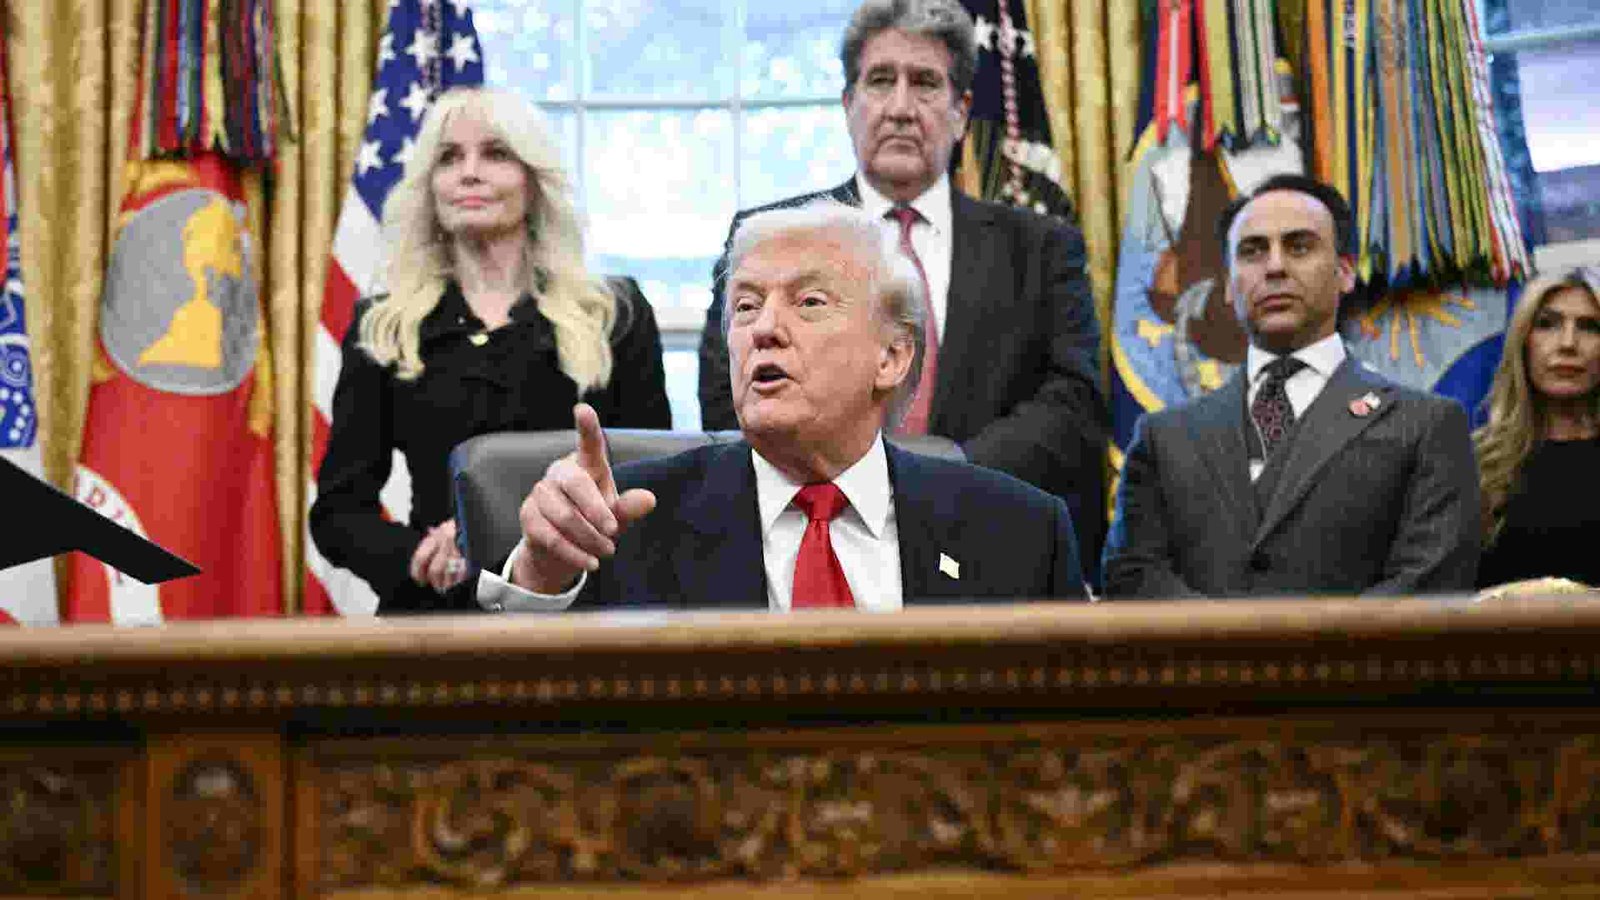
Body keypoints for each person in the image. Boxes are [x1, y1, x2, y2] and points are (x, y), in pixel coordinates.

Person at [478, 202, 1087, 611]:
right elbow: (501, 727)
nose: (763, 329)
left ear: (892, 358)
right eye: (745, 306)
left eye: (810, 302)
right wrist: (540, 575)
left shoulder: (1020, 537)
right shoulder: (619, 529)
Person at [695, 0, 1107, 572]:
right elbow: (726, 394)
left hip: (988, 534)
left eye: (926, 84)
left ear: (963, 112)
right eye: (881, 81)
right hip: (805, 532)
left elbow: (1074, 402)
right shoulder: (769, 238)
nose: (900, 108)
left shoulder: (1040, 247)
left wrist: (945, 473)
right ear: (848, 104)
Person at [311, 87, 670, 614]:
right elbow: (339, 515)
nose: (469, 172)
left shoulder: (614, 312)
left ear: (533, 179)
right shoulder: (385, 324)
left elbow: (652, 481)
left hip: (579, 608)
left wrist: (500, 533)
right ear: (429, 185)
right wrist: (417, 556)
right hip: (436, 613)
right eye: (449, 158)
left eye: (495, 154)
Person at [1102, 174, 1480, 598]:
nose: (1275, 266)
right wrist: (1230, 651)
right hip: (1205, 665)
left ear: (1345, 272)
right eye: (1252, 251)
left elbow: (1429, 585)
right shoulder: (1163, 439)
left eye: (1299, 246)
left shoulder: (1426, 427)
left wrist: (1298, 658)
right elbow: (1131, 576)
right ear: (1228, 284)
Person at [1475, 267, 1600, 588]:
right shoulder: (1474, 461)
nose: (1568, 344)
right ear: (1523, 342)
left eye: (1589, 327)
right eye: (1547, 324)